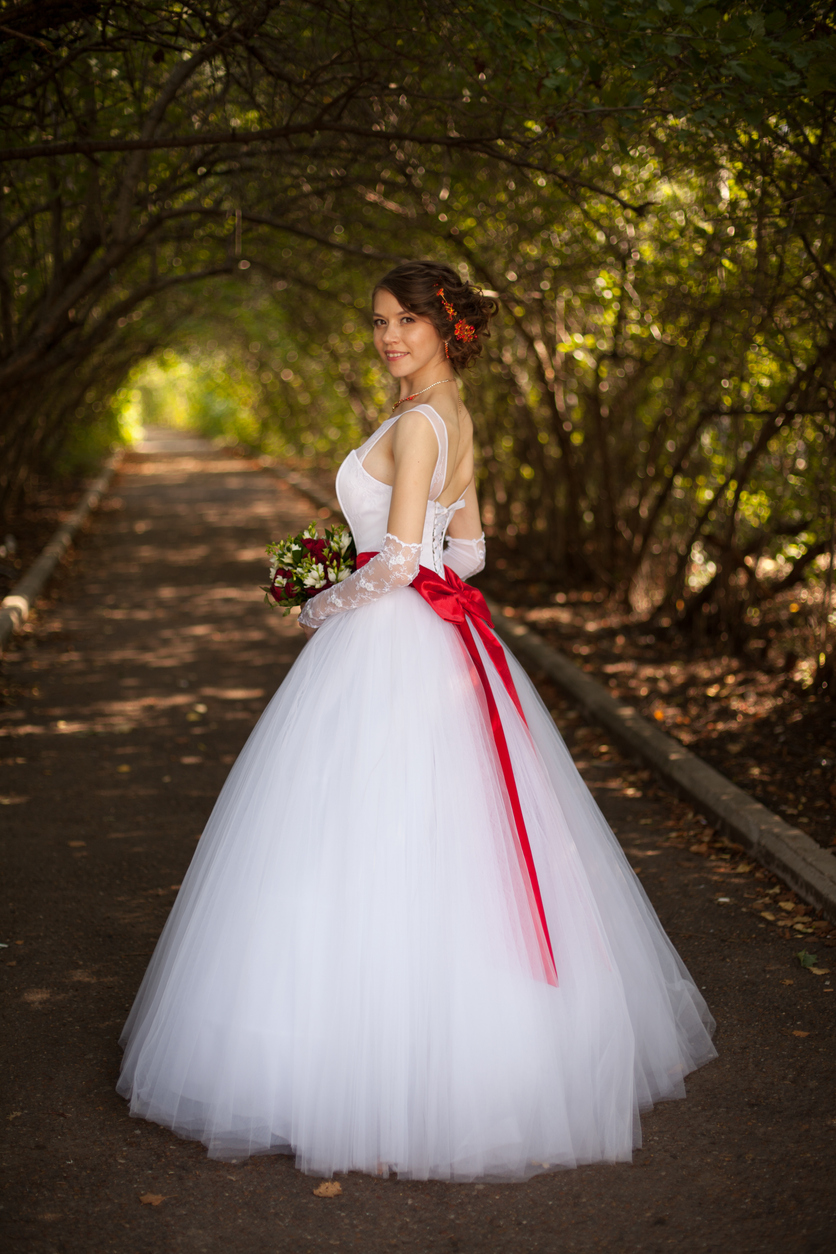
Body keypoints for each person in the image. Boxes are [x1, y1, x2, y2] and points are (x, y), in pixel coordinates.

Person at [117, 260, 716, 1181]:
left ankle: (366, 1072)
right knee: (425, 840)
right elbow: (465, 552)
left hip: (386, 643)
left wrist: (321, 605)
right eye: (379, 322)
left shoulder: (421, 424)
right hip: (428, 641)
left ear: (448, 328)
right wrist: (387, 571)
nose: (389, 336)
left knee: (359, 836)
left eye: (407, 321)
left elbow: (400, 560)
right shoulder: (448, 419)